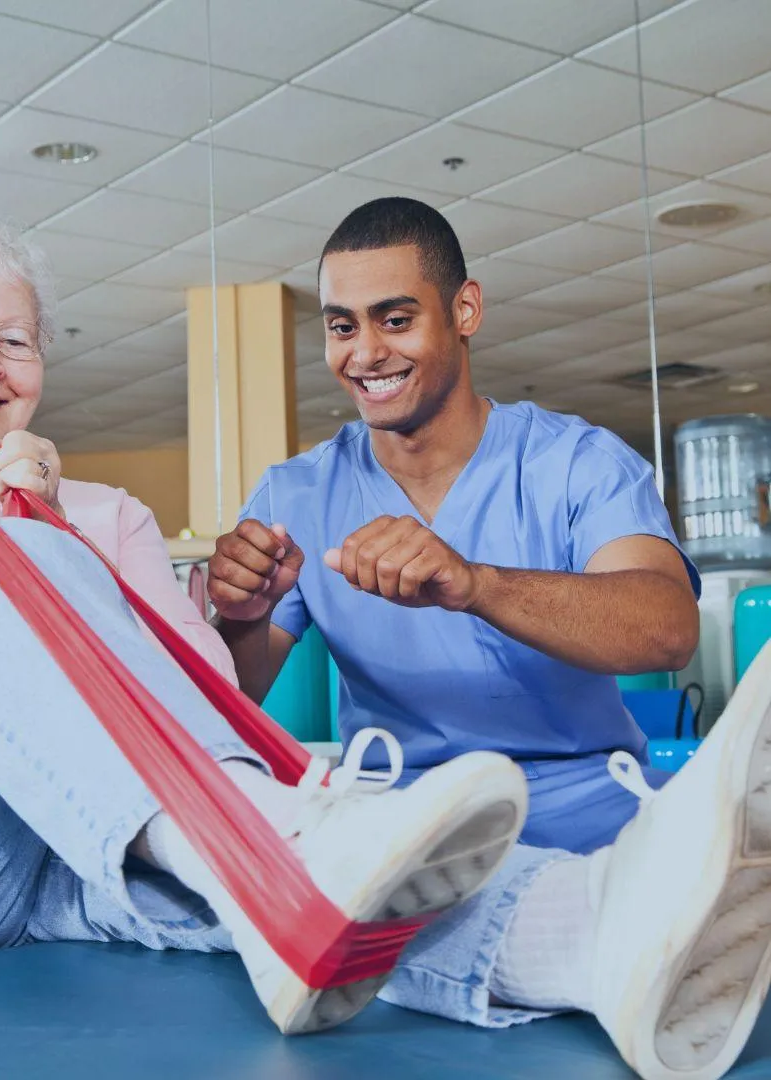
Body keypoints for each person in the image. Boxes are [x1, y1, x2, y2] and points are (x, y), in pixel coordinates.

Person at [0, 209, 770, 1080]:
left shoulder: (100, 515)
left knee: (251, 882)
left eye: (15, 339)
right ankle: (291, 847)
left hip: (21, 868)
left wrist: (55, 534)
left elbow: (203, 724)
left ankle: (583, 936)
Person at [208, 196, 702, 855]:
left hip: (587, 811)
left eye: (395, 319)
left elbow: (667, 631)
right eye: (342, 327)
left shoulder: (578, 462)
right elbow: (224, 704)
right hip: (395, 828)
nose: (367, 353)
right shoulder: (294, 493)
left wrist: (473, 583)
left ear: (463, 310)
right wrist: (240, 617)